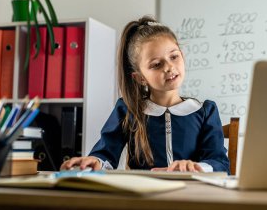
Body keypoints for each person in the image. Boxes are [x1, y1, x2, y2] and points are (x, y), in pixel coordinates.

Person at [60, 15, 230, 173]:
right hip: (143, 199)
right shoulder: (127, 109)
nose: (169, 67)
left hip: (190, 198)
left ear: (182, 55)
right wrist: (95, 161)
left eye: (174, 57)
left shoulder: (206, 111)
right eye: (156, 64)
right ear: (140, 78)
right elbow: (105, 152)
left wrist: (195, 167)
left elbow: (219, 163)